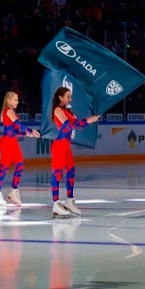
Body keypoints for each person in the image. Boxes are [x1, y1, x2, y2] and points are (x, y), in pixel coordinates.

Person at [50, 87, 99, 217]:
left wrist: (90, 119)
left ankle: (70, 200)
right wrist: (88, 120)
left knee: (71, 172)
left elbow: (78, 124)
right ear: (60, 97)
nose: (70, 99)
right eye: (68, 96)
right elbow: (69, 126)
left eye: (70, 97)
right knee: (57, 174)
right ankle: (56, 204)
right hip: (59, 147)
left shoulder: (68, 111)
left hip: (66, 147)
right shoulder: (57, 110)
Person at [0, 92, 40, 207]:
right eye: (15, 100)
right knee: (5, 167)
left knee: (20, 166)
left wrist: (28, 134)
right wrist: (31, 130)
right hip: (7, 143)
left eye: (17, 100)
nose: (17, 102)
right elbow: (18, 125)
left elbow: (16, 130)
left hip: (13, 142)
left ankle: (14, 192)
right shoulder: (8, 111)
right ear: (8, 101)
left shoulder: (12, 112)